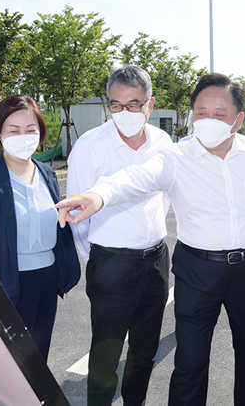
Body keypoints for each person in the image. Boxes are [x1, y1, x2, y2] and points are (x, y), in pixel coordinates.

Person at [56, 73, 245, 406]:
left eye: (219, 114)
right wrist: (98, 195)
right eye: (201, 113)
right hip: (196, 270)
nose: (208, 121)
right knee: (189, 361)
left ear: (238, 119)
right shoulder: (175, 156)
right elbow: (135, 178)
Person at [66, 65, 173, 406]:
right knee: (105, 354)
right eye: (116, 105)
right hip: (110, 263)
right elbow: (77, 215)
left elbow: (165, 197)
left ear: (150, 105)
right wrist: (98, 258)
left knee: (145, 349)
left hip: (155, 261)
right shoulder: (90, 145)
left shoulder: (163, 142)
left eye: (133, 105)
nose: (124, 113)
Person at [0, 95, 80, 361]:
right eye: (13, 130)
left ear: (40, 133)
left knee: (39, 358)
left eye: (30, 130)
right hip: (8, 283)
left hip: (47, 280)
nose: (23, 137)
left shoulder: (47, 175)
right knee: (10, 362)